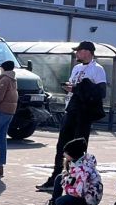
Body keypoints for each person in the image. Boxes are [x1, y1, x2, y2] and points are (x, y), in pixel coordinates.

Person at [37, 41, 107, 192]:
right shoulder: (76, 68)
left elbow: (101, 93)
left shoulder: (97, 69)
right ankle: (56, 177)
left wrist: (79, 89)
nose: (76, 54)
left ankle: (76, 179)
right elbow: (74, 88)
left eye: (79, 51)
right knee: (61, 146)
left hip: (84, 113)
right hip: (70, 109)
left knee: (77, 147)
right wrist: (70, 88)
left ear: (87, 52)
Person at [35, 138, 102, 205]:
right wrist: (66, 179)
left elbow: (79, 193)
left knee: (60, 202)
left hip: (89, 198)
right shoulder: (79, 161)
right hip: (84, 193)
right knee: (59, 177)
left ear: (73, 154)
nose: (64, 154)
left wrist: (66, 184)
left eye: (66, 152)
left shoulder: (83, 170)